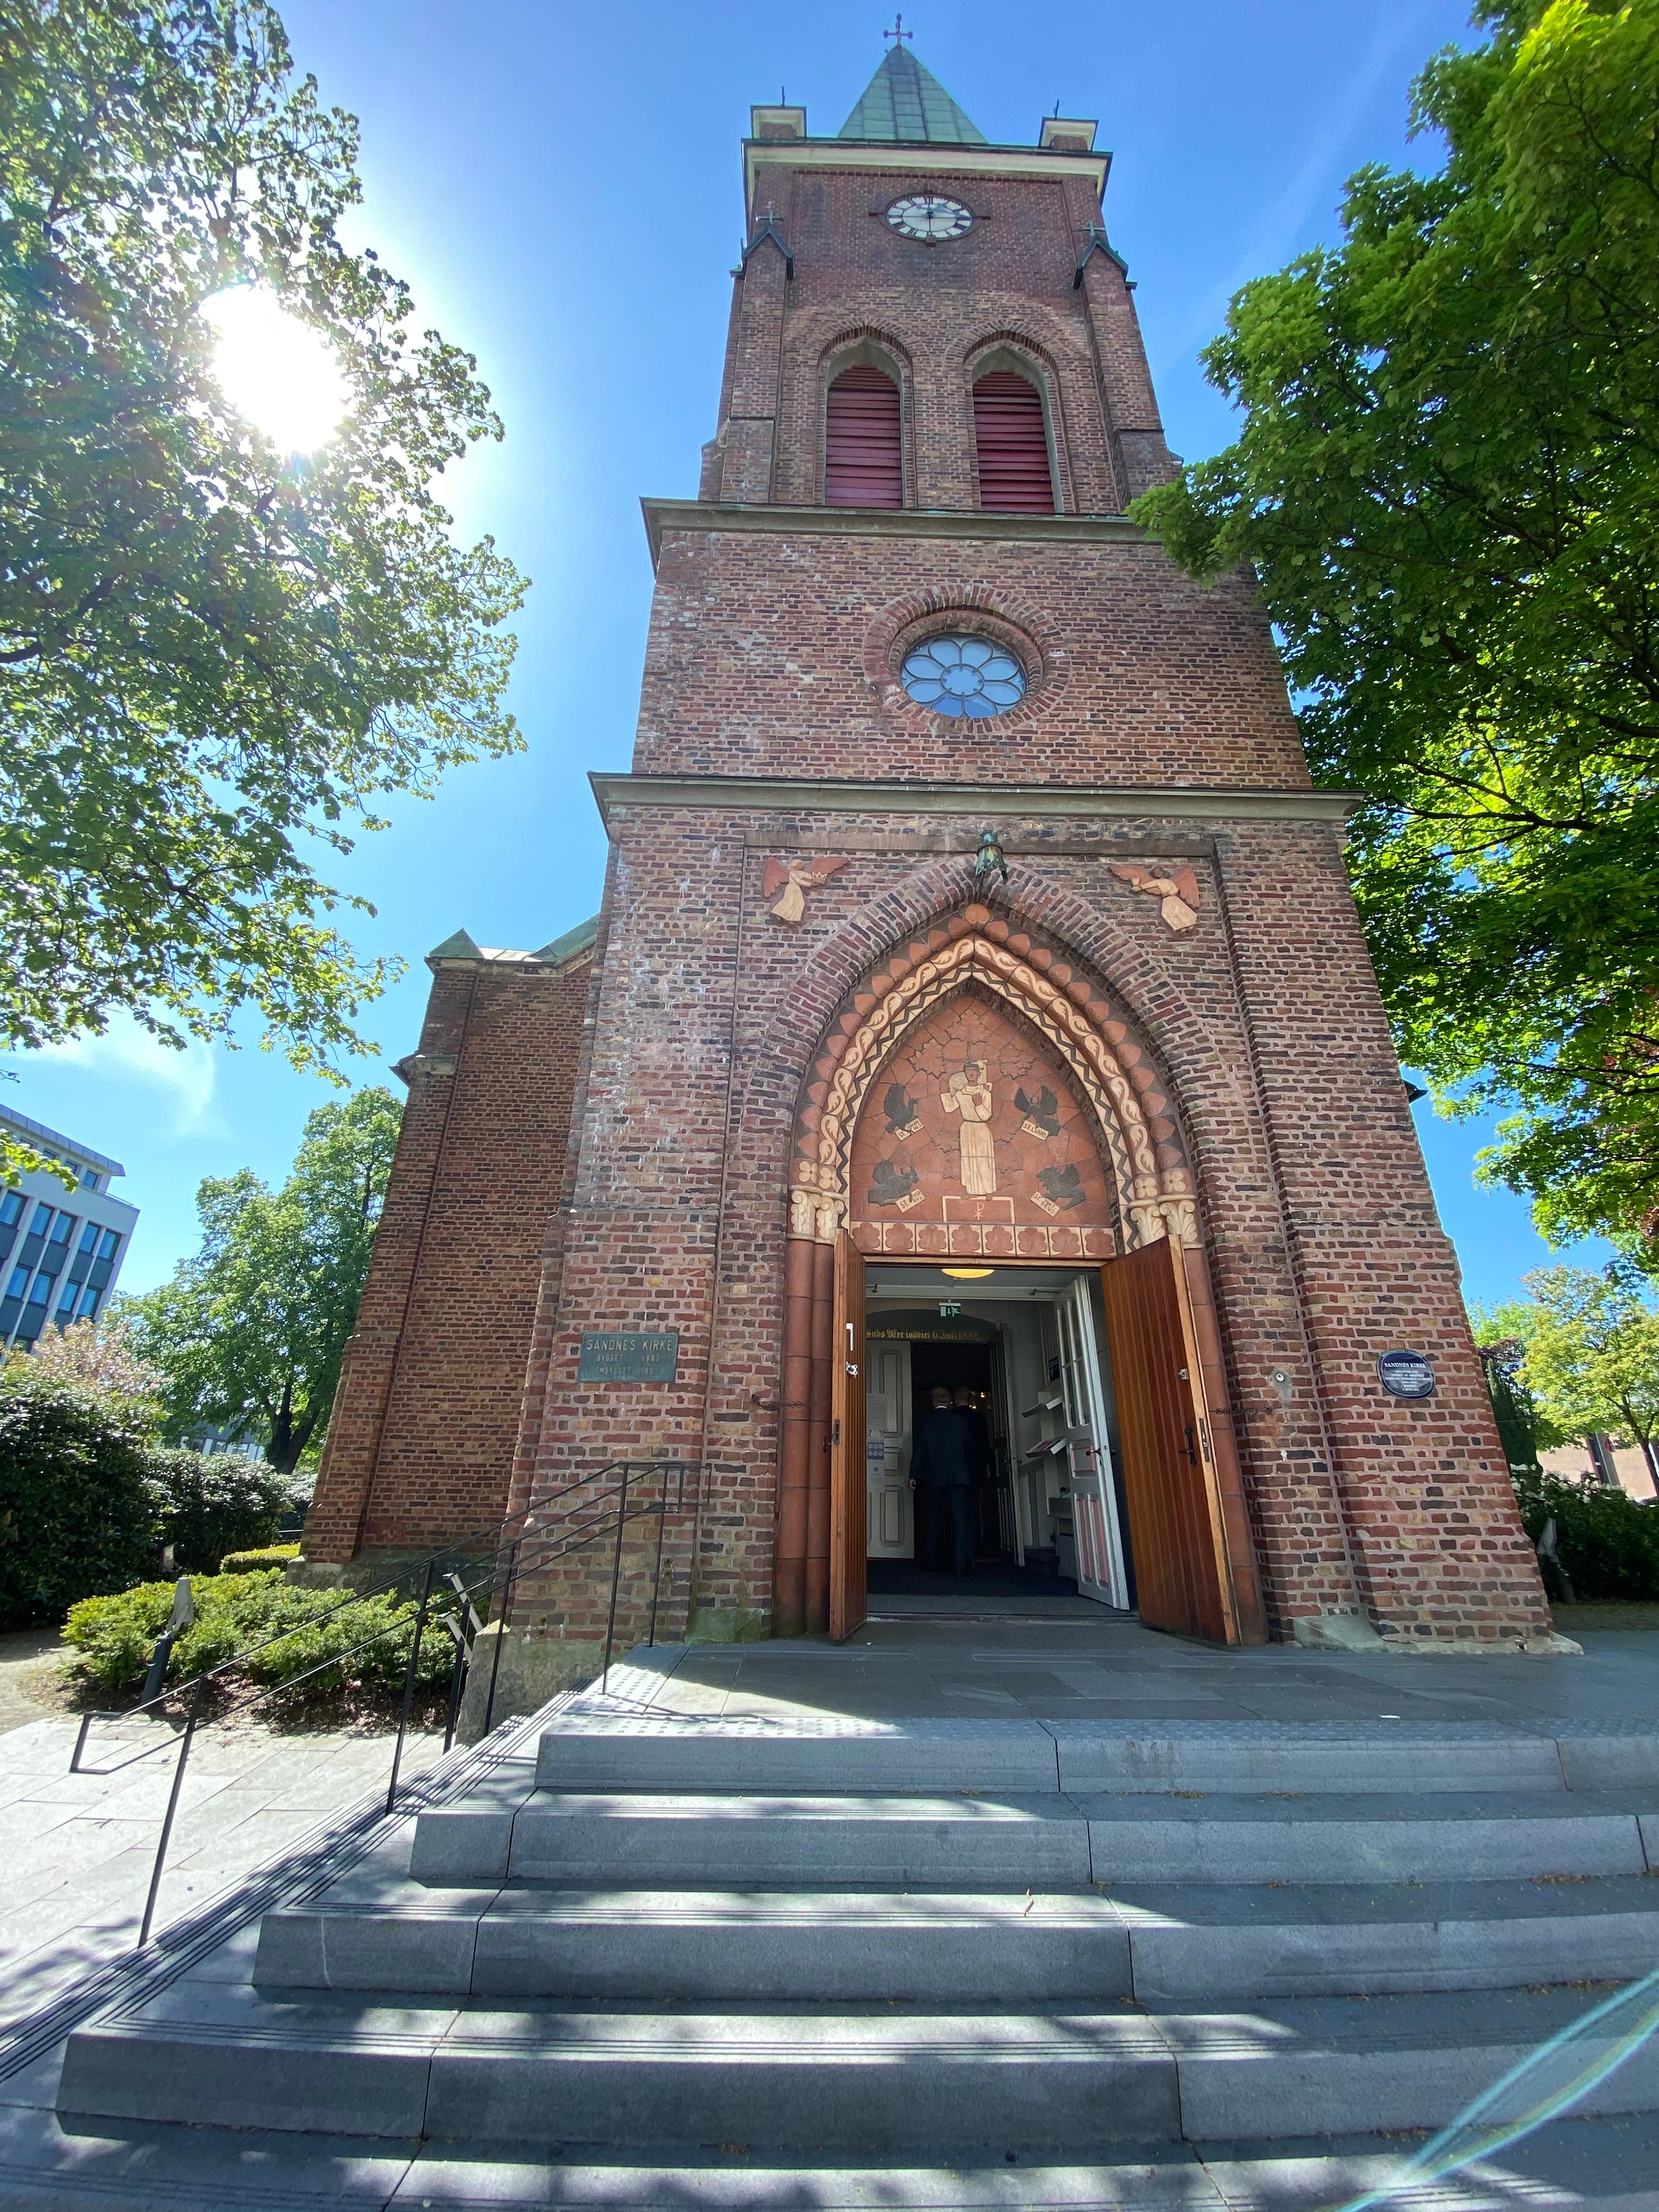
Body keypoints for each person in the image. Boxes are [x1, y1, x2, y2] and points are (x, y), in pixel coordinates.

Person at [909, 1386, 978, 1575]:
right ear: (950, 1402)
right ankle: (959, 1565)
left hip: (934, 1476)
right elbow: (970, 1449)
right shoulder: (962, 1422)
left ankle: (930, 1561)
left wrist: (913, 1475)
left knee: (933, 1518)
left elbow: (920, 1451)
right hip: (959, 1476)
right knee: (959, 1520)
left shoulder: (926, 1423)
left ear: (934, 1402)